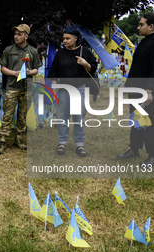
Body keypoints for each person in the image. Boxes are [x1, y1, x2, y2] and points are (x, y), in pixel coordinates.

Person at [118, 13, 154, 167]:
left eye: (141, 24)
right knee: (136, 120)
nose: (138, 27)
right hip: (136, 89)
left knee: (148, 121)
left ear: (151, 26)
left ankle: (153, 156)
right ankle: (134, 149)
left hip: (147, 91)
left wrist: (149, 91)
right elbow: (138, 68)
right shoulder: (145, 42)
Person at [47, 26, 97, 157]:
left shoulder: (84, 51)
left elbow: (93, 68)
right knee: (63, 117)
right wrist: (54, 91)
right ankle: (62, 142)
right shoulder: (60, 54)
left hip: (80, 88)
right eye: (63, 38)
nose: (65, 41)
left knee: (78, 117)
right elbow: (53, 73)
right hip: (63, 89)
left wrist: (84, 63)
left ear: (76, 39)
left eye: (68, 38)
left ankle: (79, 144)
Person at [0, 24, 41, 154]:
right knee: (8, 114)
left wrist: (30, 71)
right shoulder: (8, 50)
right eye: (15, 34)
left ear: (26, 36)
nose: (16, 36)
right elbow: (3, 68)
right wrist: (14, 73)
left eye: (19, 34)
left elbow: (37, 68)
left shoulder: (33, 51)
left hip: (27, 87)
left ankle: (19, 138)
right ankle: (3, 139)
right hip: (12, 87)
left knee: (22, 115)